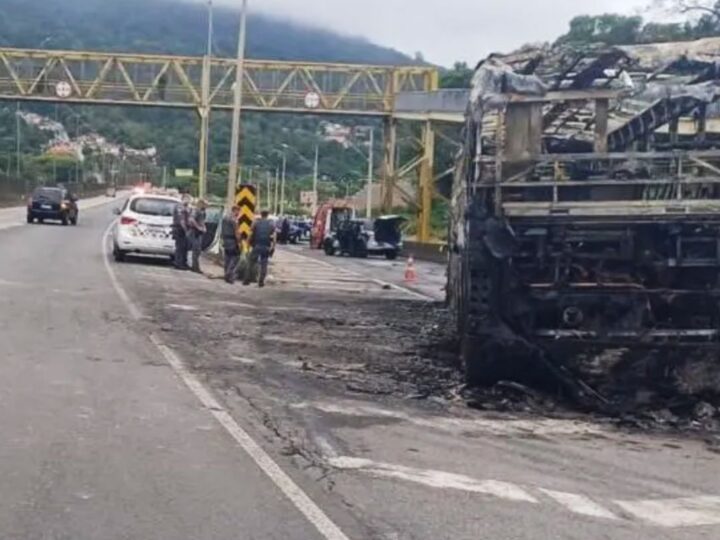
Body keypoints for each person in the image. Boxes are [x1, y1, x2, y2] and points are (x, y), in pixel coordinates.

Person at [244, 210, 275, 288]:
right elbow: (274, 237)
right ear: (267, 215)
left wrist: (247, 244)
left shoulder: (256, 223)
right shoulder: (271, 224)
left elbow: (250, 234)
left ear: (261, 215)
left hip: (256, 246)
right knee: (264, 264)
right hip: (266, 247)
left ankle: (247, 280)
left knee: (250, 262)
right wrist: (273, 248)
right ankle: (261, 281)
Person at [221, 205, 241, 284]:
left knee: (227, 258)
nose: (239, 213)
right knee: (235, 257)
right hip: (233, 241)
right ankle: (229, 274)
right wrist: (239, 242)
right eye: (238, 211)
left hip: (225, 240)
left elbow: (222, 230)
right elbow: (236, 232)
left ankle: (226, 275)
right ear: (235, 210)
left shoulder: (224, 218)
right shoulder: (234, 220)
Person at [188, 199, 208, 274]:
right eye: (205, 204)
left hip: (199, 232)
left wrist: (204, 227)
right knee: (195, 250)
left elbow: (202, 221)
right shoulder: (196, 210)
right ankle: (194, 267)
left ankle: (195, 266)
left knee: (198, 250)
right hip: (195, 232)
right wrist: (198, 227)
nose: (207, 206)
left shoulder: (203, 212)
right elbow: (191, 219)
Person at [172, 194, 191, 270]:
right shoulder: (179, 207)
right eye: (187, 199)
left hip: (183, 229)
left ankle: (183, 262)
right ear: (183, 199)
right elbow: (181, 220)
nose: (189, 201)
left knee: (185, 247)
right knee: (180, 247)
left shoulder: (186, 207)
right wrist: (186, 230)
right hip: (179, 229)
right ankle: (178, 263)